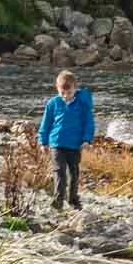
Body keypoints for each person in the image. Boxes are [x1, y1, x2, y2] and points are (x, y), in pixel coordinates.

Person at [36, 68, 94, 212]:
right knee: (59, 171)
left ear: (75, 88)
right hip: (56, 144)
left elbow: (89, 122)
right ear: (57, 89)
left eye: (69, 93)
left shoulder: (82, 104)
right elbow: (46, 123)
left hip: (75, 145)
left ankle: (73, 199)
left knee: (74, 173)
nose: (66, 96)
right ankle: (58, 201)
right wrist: (43, 142)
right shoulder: (53, 103)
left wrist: (87, 139)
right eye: (62, 93)